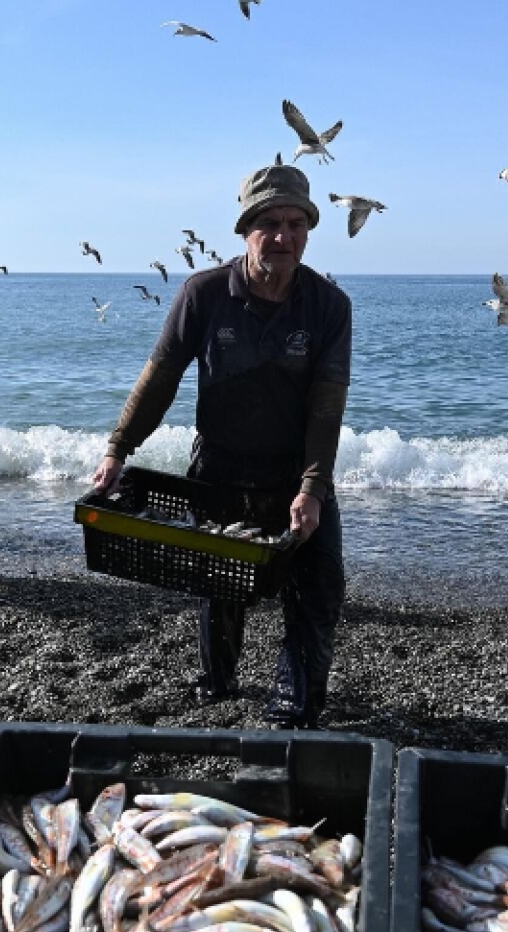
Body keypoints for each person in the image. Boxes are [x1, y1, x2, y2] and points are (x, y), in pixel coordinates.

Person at [92, 163, 352, 729]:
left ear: (308, 230)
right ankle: (218, 681)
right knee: (222, 585)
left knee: (319, 587)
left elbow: (326, 407)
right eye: (269, 223)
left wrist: (312, 487)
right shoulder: (203, 293)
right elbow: (159, 379)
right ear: (245, 230)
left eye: (295, 224)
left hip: (295, 471)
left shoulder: (330, 305)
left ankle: (294, 706)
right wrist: (118, 449)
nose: (283, 237)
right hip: (220, 468)